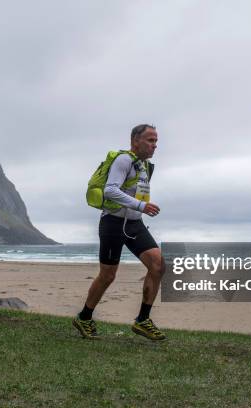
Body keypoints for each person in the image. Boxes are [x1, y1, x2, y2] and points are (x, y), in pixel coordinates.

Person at [73, 124, 166, 341]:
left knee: (158, 266)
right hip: (113, 224)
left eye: (156, 141)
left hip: (134, 224)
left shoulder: (145, 166)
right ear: (135, 140)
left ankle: (143, 320)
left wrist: (141, 208)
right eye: (150, 140)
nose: (154, 146)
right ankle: (84, 317)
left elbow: (133, 192)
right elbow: (110, 190)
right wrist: (141, 206)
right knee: (108, 276)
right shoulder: (124, 160)